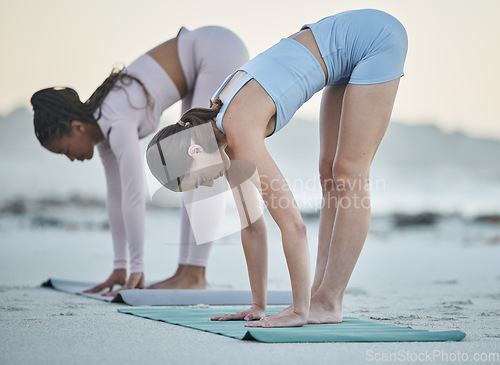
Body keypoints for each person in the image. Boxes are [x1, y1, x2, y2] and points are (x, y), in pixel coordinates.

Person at [146, 9, 408, 327]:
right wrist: (258, 304)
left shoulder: (238, 131)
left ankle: (327, 301)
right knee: (329, 171)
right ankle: (318, 295)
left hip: (375, 39)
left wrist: (296, 312)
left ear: (194, 149)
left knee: (349, 171)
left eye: (195, 180)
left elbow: (294, 226)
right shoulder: (219, 133)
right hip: (344, 52)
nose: (203, 185)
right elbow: (253, 225)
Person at [30, 26, 249, 295]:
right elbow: (116, 197)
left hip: (216, 51)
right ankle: (185, 272)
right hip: (202, 61)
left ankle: (194, 274)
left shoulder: (116, 120)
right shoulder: (103, 130)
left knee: (204, 161)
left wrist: (137, 268)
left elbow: (133, 195)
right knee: (189, 171)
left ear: (77, 127)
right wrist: (121, 267)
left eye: (66, 150)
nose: (72, 158)